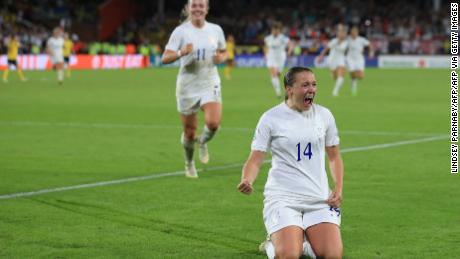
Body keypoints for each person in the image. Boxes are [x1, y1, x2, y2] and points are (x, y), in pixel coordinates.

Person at [238, 67, 344, 259]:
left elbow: (334, 156)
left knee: (333, 255)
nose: (311, 89)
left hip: (318, 197)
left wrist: (338, 187)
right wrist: (247, 179)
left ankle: (302, 244)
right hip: (283, 198)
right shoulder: (271, 118)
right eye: (305, 85)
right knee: (288, 255)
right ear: (289, 89)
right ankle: (273, 244)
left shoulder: (324, 115)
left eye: (314, 84)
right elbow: (256, 158)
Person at [161, 0, 227, 178]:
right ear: (189, 8)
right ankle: (189, 163)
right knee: (189, 132)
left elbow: (223, 50)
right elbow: (165, 58)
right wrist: (182, 52)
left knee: (213, 124)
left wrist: (221, 57)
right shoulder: (181, 31)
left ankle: (203, 141)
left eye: (201, 5)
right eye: (194, 5)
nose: (197, 8)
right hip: (188, 85)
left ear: (206, 9)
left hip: (209, 81)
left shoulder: (216, 30)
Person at [317, 24, 348, 97]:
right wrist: (321, 57)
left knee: (341, 75)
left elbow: (342, 49)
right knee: (335, 77)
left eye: (343, 33)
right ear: (338, 34)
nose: (342, 34)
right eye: (340, 33)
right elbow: (326, 49)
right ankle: (333, 74)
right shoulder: (333, 41)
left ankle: (335, 91)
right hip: (332, 60)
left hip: (340, 60)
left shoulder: (346, 43)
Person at [264, 22, 292, 98]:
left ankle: (278, 88)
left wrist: (289, 51)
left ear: (279, 31)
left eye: (276, 30)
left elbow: (290, 44)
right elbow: (266, 47)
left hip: (280, 58)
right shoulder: (268, 38)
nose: (275, 32)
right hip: (271, 58)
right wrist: (266, 54)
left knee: (277, 75)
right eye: (273, 30)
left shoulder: (283, 38)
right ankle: (278, 92)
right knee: (274, 74)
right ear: (271, 30)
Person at [346, 26, 374, 96]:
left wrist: (371, 52)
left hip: (359, 59)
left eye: (355, 32)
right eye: (352, 32)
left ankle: (353, 79)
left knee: (361, 76)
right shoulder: (348, 39)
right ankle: (353, 88)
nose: (353, 33)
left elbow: (369, 44)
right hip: (350, 59)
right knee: (352, 73)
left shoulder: (361, 39)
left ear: (357, 33)